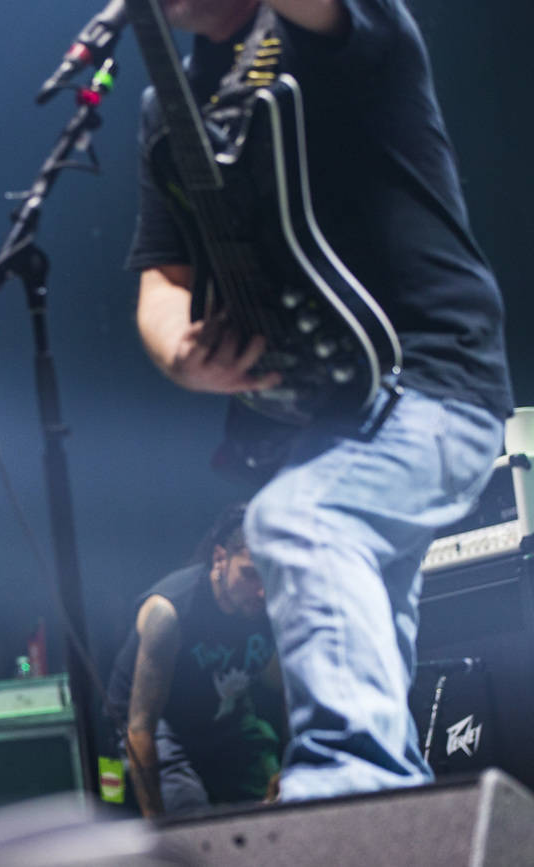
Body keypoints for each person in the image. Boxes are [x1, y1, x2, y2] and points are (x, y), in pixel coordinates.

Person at [127, 0, 513, 801]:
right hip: (329, 418)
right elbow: (164, 274)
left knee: (295, 521)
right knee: (375, 619)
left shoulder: (332, 29)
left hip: (436, 379)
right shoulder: (168, 108)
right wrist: (181, 357)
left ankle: (353, 784)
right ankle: (398, 816)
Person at [107, 504, 284, 816]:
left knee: (280, 809)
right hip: (159, 728)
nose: (261, 591)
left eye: (267, 576)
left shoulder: (266, 605)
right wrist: (159, 827)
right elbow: (139, 728)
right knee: (192, 824)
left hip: (223, 720)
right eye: (250, 574)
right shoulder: (169, 611)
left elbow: (281, 688)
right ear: (220, 559)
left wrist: (285, 766)